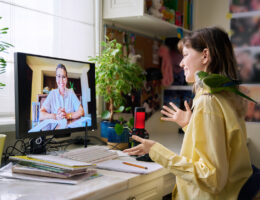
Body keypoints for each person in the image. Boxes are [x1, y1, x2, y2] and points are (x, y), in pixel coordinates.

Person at [124, 27, 253, 200]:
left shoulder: (208, 101)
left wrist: (155, 150)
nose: (181, 63)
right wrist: (190, 126)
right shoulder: (226, 96)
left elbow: (211, 178)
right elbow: (222, 146)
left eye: (185, 54)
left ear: (205, 56)